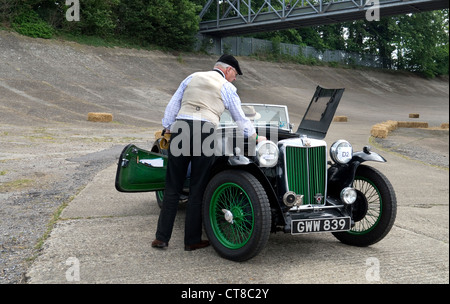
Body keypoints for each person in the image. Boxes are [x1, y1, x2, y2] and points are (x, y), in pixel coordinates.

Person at [152, 54, 266, 251]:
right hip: (204, 130)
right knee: (198, 188)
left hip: (181, 127)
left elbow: (173, 105)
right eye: (235, 74)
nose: (235, 78)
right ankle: (192, 241)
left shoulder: (192, 77)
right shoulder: (227, 87)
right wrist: (256, 138)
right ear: (229, 70)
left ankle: (161, 238)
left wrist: (168, 127)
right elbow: (240, 118)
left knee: (172, 187)